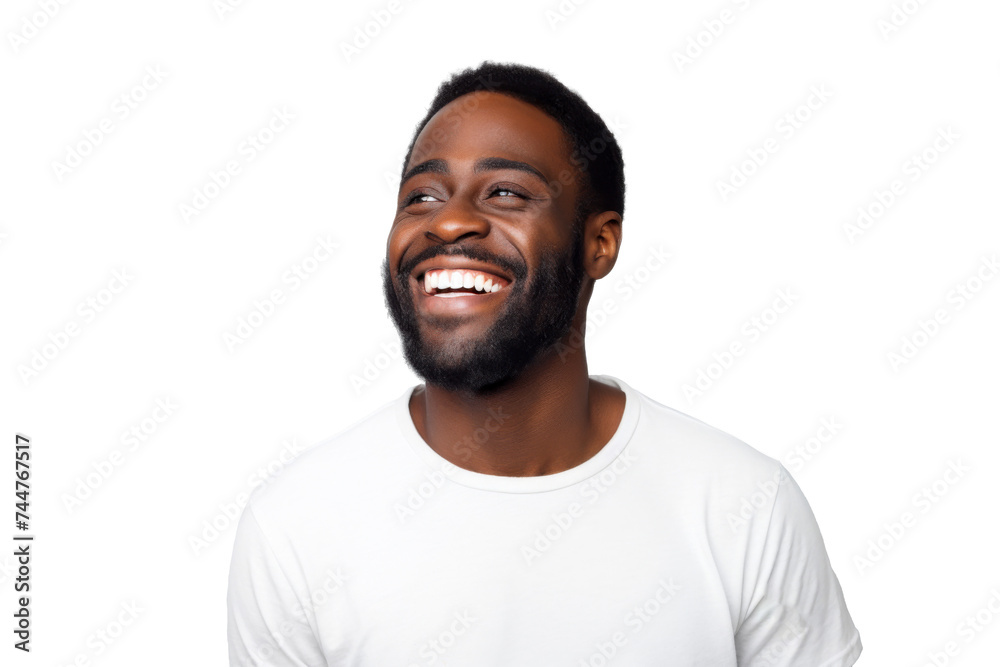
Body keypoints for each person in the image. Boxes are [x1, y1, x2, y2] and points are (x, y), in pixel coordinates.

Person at [227, 61, 862, 666]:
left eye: (504, 191)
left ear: (600, 243)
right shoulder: (295, 525)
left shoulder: (743, 504)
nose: (448, 221)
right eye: (422, 195)